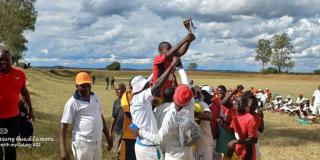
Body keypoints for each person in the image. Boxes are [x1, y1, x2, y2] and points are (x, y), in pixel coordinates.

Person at [130, 56, 179, 160]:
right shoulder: (140, 98)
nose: (149, 86)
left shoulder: (137, 100)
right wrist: (170, 67)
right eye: (147, 85)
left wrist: (162, 67)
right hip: (149, 148)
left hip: (141, 145)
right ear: (142, 88)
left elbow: (154, 79)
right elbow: (158, 85)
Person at [59, 72, 112, 160]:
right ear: (76, 86)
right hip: (82, 144)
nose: (87, 88)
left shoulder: (95, 97)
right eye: (83, 86)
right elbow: (63, 128)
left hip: (97, 142)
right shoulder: (72, 102)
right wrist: (63, 150)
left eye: (89, 85)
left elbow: (101, 117)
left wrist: (108, 137)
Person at [135, 84, 196, 160]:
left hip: (173, 156)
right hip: (188, 154)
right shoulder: (190, 107)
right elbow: (187, 90)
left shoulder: (170, 115)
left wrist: (140, 132)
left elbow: (158, 138)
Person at [0, 48, 34, 160]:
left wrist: (30, 110)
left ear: (11, 60)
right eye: (1, 59)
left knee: (10, 147)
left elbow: (24, 91)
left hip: (13, 119)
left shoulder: (19, 74)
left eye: (7, 59)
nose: (4, 62)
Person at [152, 33, 195, 97]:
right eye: (169, 49)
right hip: (158, 95)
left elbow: (180, 53)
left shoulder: (171, 60)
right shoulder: (158, 59)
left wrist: (188, 41)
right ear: (160, 52)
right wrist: (185, 39)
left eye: (171, 48)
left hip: (167, 95)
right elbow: (169, 54)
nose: (172, 50)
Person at [227, 96, 258, 160]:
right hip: (237, 152)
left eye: (240, 102)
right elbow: (233, 131)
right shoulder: (235, 115)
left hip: (247, 154)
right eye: (236, 101)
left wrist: (235, 142)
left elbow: (254, 139)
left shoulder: (250, 118)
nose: (237, 103)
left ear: (245, 105)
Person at [119, 79, 137, 160]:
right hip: (129, 136)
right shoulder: (126, 95)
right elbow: (127, 113)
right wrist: (136, 128)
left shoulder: (144, 95)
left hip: (142, 137)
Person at [110, 83, 126, 159]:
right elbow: (113, 117)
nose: (116, 91)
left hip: (127, 131)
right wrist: (110, 132)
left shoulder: (129, 100)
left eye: (118, 89)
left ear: (124, 90)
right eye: (115, 89)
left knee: (124, 150)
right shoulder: (116, 102)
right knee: (117, 152)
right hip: (117, 131)